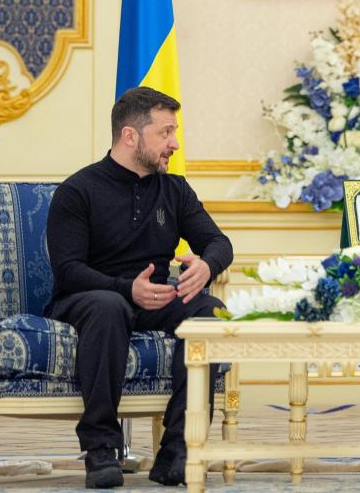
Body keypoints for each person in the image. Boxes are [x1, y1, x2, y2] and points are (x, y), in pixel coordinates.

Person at [45, 87, 233, 489]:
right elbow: (68, 270)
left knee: (209, 311)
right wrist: (125, 288)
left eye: (174, 132)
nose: (174, 143)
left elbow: (219, 243)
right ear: (130, 136)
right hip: (88, 299)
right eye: (165, 132)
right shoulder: (78, 191)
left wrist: (206, 265)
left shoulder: (175, 190)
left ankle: (178, 448)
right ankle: (100, 447)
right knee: (108, 306)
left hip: (155, 298)